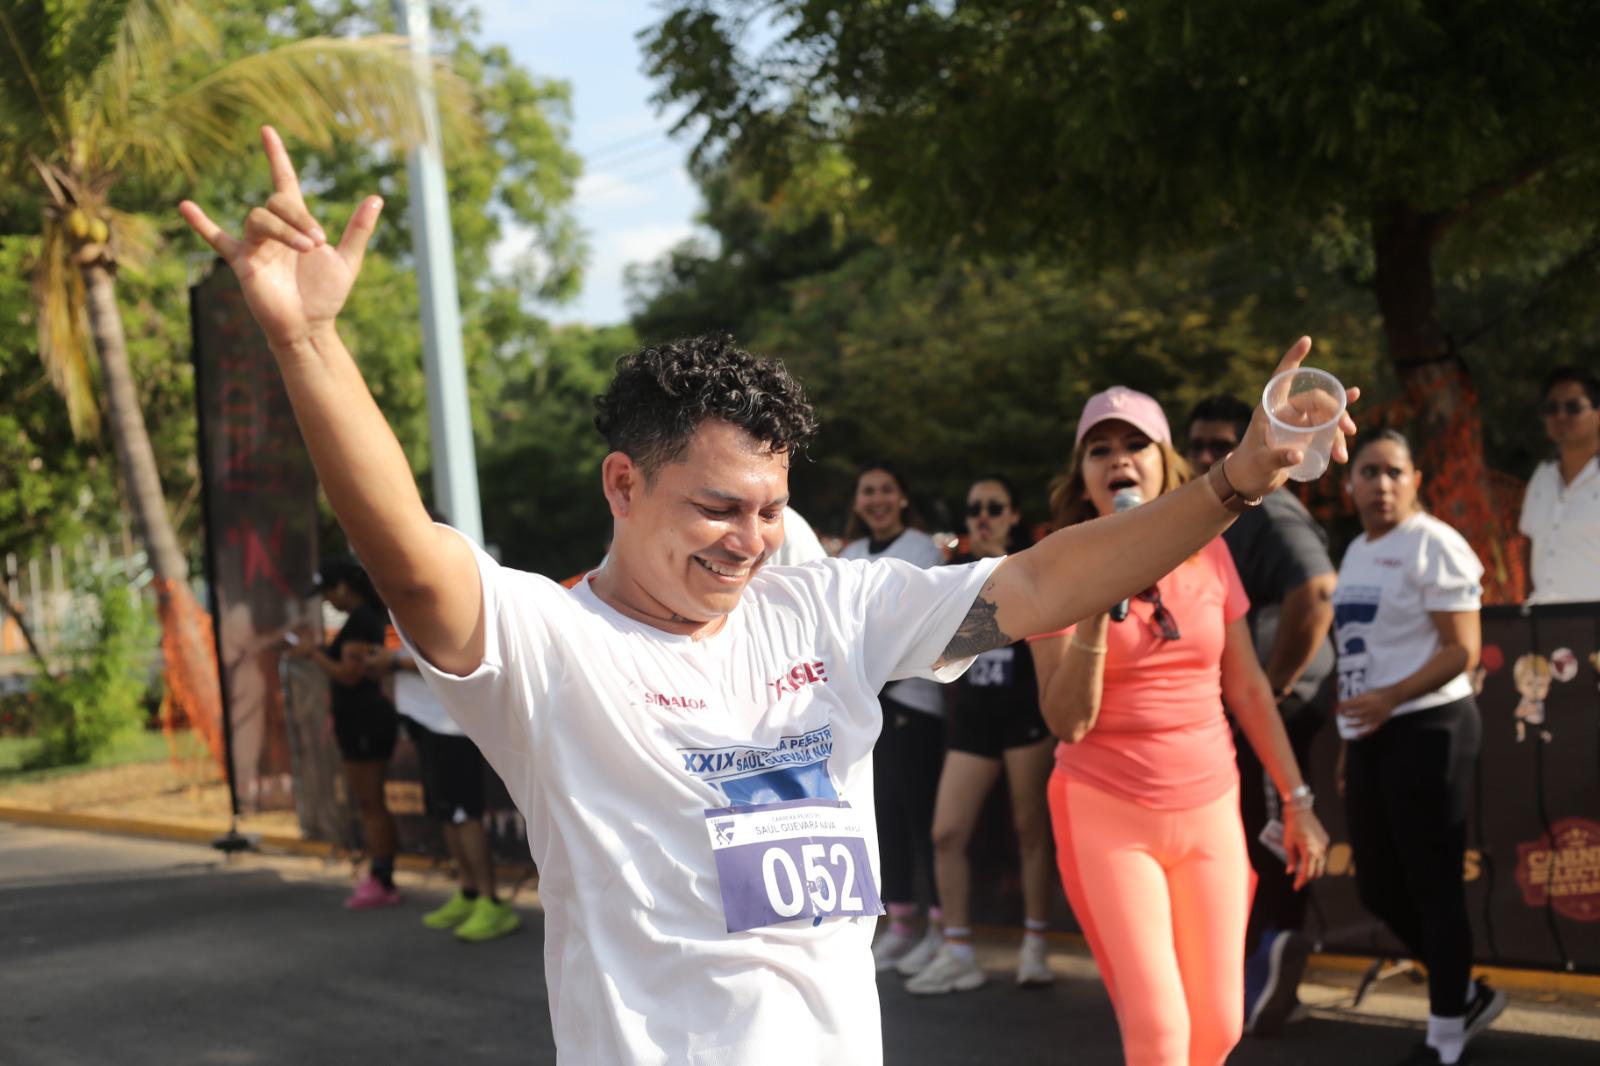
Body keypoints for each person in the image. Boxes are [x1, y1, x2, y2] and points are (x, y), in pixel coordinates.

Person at [179, 129, 1355, 1064]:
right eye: (715, 509)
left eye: (766, 509)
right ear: (623, 483)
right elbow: (409, 556)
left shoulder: (826, 609)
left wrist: (1237, 479)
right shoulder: (546, 647)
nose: (748, 541)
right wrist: (311, 343)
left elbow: (1044, 580)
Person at [1034, 386, 1331, 1066]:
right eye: (1099, 449)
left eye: (1135, 443)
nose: (1119, 459)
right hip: (1104, 811)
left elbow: (1249, 687)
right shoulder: (1055, 564)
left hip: (1210, 807)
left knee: (1220, 1029)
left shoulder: (1211, 552)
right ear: (1081, 478)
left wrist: (1298, 799)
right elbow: (1066, 721)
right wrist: (1094, 601)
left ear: (1164, 464)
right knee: (1161, 1035)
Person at [1334, 429, 1506, 1066]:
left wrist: (1389, 699)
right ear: (1348, 483)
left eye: (1393, 472)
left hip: (1431, 726)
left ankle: (1445, 1041)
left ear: (1416, 480)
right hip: (1373, 734)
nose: (1380, 484)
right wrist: (1354, 739)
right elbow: (1361, 658)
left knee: (1434, 885)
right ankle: (1461, 990)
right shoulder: (1355, 549)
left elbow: (1462, 651)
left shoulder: (1434, 543)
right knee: (1378, 887)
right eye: (1368, 472)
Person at [1186, 394, 1337, 1034]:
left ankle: (1273, 968)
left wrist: (1270, 688)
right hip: (1255, 710)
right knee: (1254, 835)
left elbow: (1319, 591)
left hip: (1282, 709)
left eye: (1221, 443)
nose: (1205, 457)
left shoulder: (1267, 507)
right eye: (1194, 446)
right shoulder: (1217, 509)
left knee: (1274, 840)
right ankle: (1261, 978)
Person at [904, 474, 1056, 994]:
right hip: (971, 715)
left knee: (1030, 827)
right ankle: (958, 949)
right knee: (947, 831)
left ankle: (1035, 944)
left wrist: (1001, 568)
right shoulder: (952, 573)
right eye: (975, 509)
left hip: (1023, 713)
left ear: (1013, 515)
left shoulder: (1029, 565)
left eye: (995, 507)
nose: (984, 517)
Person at [838, 464, 949, 974]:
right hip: (866, 708)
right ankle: (902, 924)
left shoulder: (922, 550)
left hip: (913, 704)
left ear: (903, 497)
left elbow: (916, 629)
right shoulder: (849, 556)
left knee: (923, 818)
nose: (877, 499)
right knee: (882, 819)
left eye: (887, 489)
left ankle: (942, 927)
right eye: (868, 491)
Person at [365, 638, 522, 942]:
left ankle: (492, 902)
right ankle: (470, 892)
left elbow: (455, 658)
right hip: (425, 722)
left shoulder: (435, 601)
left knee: (464, 815)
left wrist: (393, 663)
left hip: (450, 725)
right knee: (446, 813)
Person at [287, 558, 401, 909]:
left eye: (327, 593)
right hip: (358, 721)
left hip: (366, 721)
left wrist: (312, 654)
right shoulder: (360, 620)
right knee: (368, 803)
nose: (326, 601)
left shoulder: (363, 620)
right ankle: (379, 873)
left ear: (341, 588)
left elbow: (348, 674)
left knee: (371, 803)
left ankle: (382, 878)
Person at [1520, 366, 1600, 604]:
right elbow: (1529, 545)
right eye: (1551, 408)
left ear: (1598, 413)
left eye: (1573, 407)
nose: (1561, 416)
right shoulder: (1541, 476)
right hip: (1545, 623)